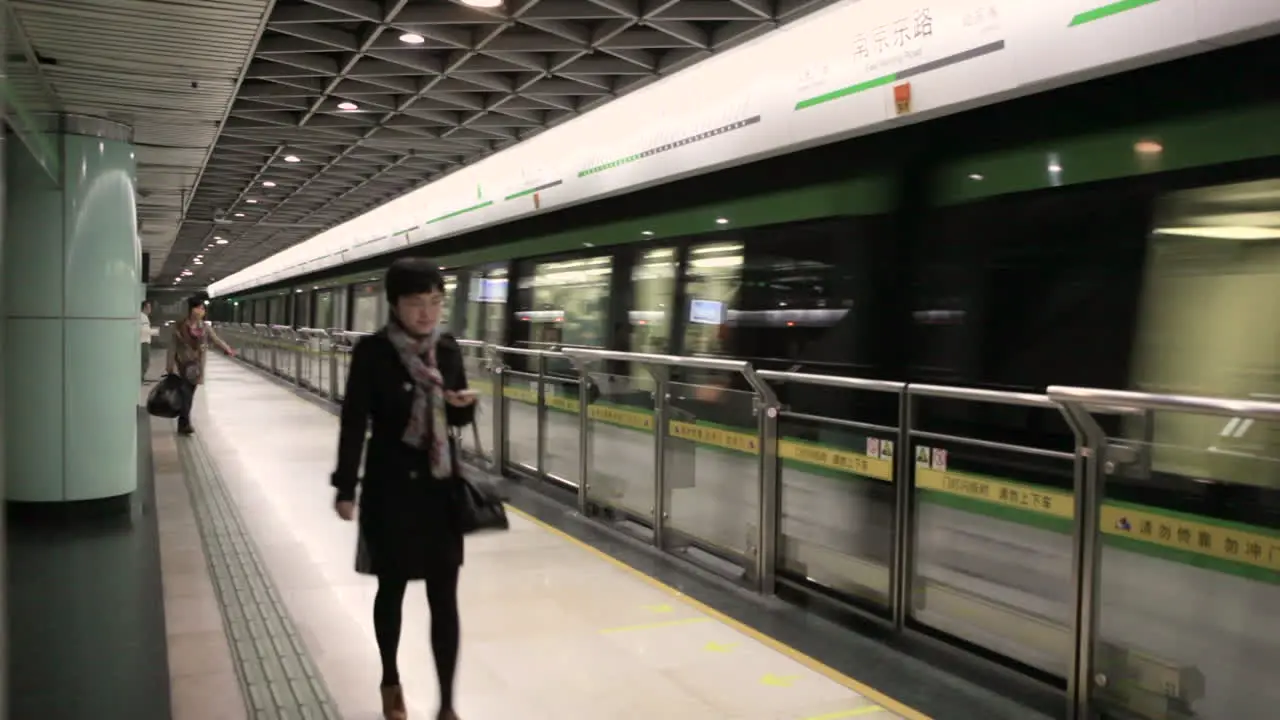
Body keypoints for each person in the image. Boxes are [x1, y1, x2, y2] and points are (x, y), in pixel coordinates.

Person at [330, 258, 477, 720]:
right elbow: (355, 421)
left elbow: (455, 418)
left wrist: (460, 408)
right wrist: (345, 486)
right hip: (389, 487)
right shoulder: (373, 353)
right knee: (390, 589)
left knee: (444, 596)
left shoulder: (448, 350)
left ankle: (447, 703)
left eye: (435, 302)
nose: (427, 313)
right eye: (417, 303)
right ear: (394, 304)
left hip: (438, 489)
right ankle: (390, 679)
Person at [166, 295, 236, 435]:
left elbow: (215, 339)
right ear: (192, 309)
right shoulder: (179, 326)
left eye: (203, 308)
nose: (202, 311)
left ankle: (183, 421)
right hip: (182, 364)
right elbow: (172, 346)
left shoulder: (204, 327)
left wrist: (227, 349)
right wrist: (169, 365)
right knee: (186, 393)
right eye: (199, 308)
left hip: (196, 366)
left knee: (189, 394)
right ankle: (184, 423)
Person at [140, 299, 157, 382]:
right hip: (144, 342)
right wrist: (156, 331)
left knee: (145, 361)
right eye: (149, 307)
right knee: (145, 361)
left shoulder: (144, 317)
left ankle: (142, 377)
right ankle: (141, 377)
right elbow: (145, 330)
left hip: (145, 341)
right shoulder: (143, 317)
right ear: (144, 308)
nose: (150, 309)